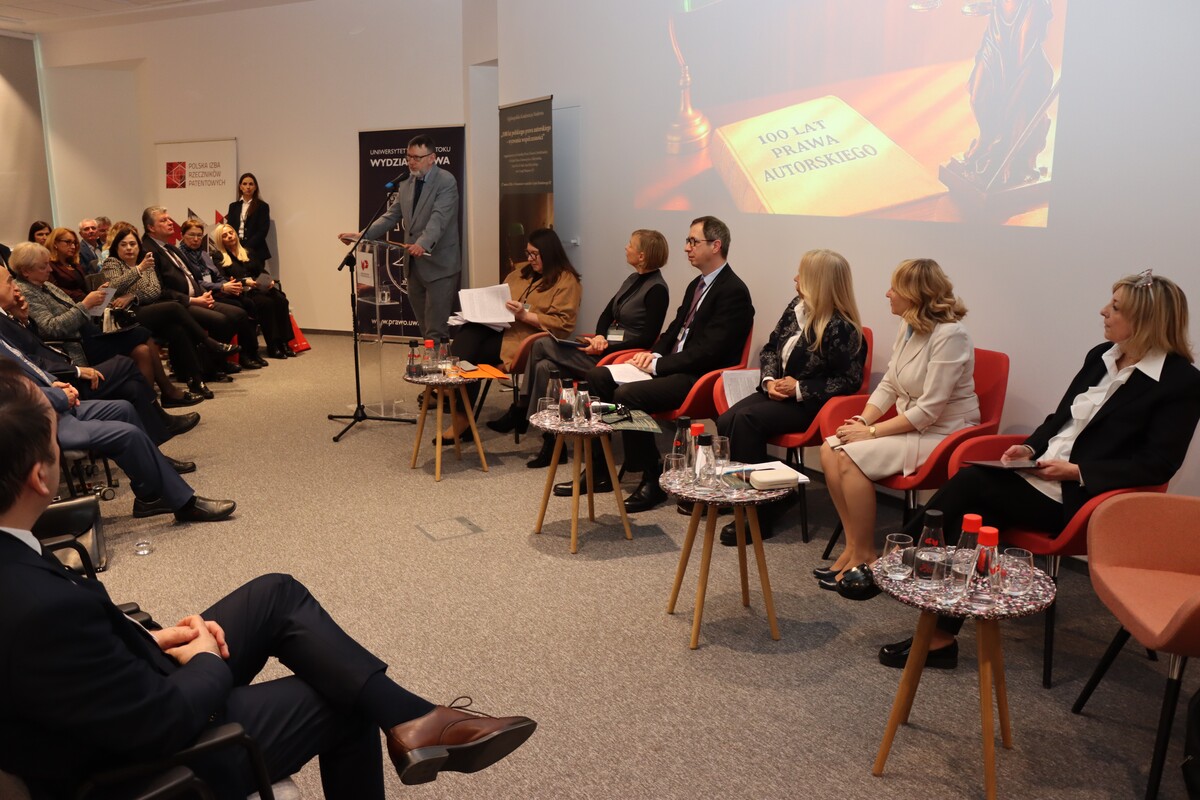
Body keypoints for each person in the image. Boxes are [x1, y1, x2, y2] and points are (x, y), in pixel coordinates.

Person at [0, 362, 537, 799]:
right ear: (41, 476)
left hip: (116, 693)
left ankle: (415, 719)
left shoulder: (17, 555)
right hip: (146, 764)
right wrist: (205, 659)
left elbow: (68, 666)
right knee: (343, 701)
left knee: (277, 593)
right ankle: (412, 721)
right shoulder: (38, 607)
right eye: (55, 434)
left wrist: (152, 638)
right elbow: (158, 721)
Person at [878, 270, 1200, 670]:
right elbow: (1061, 417)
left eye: (1115, 307)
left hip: (1082, 496)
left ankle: (895, 558)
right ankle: (939, 638)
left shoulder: (1180, 381)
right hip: (1039, 475)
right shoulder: (1102, 355)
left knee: (973, 484)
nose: (1103, 311)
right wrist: (1030, 446)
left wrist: (1077, 471)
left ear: (1146, 320)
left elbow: (1158, 464)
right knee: (977, 520)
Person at [818, 258, 978, 594]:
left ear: (915, 294)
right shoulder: (908, 325)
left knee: (848, 457)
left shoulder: (951, 335)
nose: (887, 294)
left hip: (944, 434)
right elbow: (889, 384)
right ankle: (852, 546)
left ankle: (866, 554)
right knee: (829, 449)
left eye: (895, 288)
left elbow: (930, 410)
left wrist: (871, 433)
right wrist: (864, 419)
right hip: (913, 426)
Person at [585, 216, 755, 513]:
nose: (686, 248)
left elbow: (709, 352)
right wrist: (653, 355)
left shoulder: (733, 291)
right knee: (598, 377)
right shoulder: (696, 284)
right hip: (674, 366)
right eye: (687, 241)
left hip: (699, 376)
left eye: (693, 241)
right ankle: (600, 467)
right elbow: (675, 329)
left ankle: (652, 476)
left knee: (627, 396)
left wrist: (659, 366)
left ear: (715, 246)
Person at [714, 249, 866, 545]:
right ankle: (754, 497)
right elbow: (771, 348)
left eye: (802, 274)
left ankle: (758, 515)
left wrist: (798, 388)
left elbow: (849, 382)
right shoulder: (796, 308)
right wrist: (770, 380)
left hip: (812, 406)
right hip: (779, 393)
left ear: (819, 282)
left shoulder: (842, 328)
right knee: (726, 419)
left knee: (745, 421)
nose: (795, 279)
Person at [489, 229, 670, 466]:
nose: (626, 248)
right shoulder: (632, 280)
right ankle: (551, 441)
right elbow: (606, 315)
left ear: (642, 255)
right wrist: (599, 337)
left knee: (541, 343)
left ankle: (522, 408)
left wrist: (606, 348)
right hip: (602, 348)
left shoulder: (657, 289)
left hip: (619, 359)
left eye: (630, 244)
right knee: (545, 367)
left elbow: (647, 339)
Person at [0, 263, 199, 446]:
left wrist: (24, 320)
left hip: (73, 353)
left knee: (134, 380)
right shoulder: (19, 301)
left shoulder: (33, 296)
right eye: (9, 282)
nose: (50, 269)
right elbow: (39, 347)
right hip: (64, 374)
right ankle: (163, 417)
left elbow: (33, 345)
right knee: (130, 357)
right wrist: (76, 370)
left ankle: (156, 441)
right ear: (27, 270)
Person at [444, 228, 582, 443]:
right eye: (528, 253)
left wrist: (525, 315)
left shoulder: (566, 281)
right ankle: (455, 394)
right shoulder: (519, 273)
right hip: (502, 331)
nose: (530, 259)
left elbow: (563, 325)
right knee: (470, 329)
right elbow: (500, 299)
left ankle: (456, 403)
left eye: (535, 254)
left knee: (471, 358)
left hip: (528, 342)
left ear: (549, 252)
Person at [338, 134, 461, 341]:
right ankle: (433, 357)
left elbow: (439, 218)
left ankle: (438, 360)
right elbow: (391, 215)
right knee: (425, 327)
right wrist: (362, 235)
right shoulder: (406, 182)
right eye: (408, 157)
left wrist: (422, 244)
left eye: (417, 157)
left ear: (432, 158)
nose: (411, 162)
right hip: (413, 265)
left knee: (436, 328)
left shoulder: (446, 181)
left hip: (439, 264)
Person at [100, 224, 222, 402]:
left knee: (178, 329)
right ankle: (208, 342)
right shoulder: (112, 263)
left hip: (147, 311)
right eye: (123, 245)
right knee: (174, 307)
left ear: (138, 246)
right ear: (116, 247)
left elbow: (155, 291)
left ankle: (196, 380)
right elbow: (114, 286)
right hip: (125, 316)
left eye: (132, 244)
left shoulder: (146, 261)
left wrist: (133, 295)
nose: (129, 248)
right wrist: (138, 270)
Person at [142, 206, 243, 383]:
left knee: (238, 314)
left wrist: (204, 294)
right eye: (163, 220)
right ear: (151, 227)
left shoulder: (170, 247)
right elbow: (160, 291)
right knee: (221, 320)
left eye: (169, 218)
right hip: (178, 304)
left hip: (197, 297)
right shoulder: (148, 250)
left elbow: (192, 277)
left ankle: (213, 364)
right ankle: (210, 367)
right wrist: (194, 300)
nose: (170, 222)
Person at [180, 219, 269, 368]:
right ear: (182, 235)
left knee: (248, 303)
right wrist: (222, 287)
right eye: (191, 235)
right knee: (240, 310)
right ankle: (242, 355)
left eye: (199, 235)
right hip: (202, 295)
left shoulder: (203, 254)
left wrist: (229, 284)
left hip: (216, 291)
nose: (196, 239)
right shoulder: (181, 256)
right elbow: (196, 282)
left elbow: (217, 275)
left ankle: (251, 351)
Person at [211, 222, 293, 361]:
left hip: (259, 287)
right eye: (225, 235)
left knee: (281, 300)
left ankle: (284, 342)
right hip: (243, 291)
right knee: (266, 304)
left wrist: (269, 280)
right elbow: (223, 278)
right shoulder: (219, 256)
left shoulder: (248, 251)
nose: (229, 236)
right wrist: (245, 282)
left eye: (231, 233)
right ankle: (273, 345)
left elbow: (261, 271)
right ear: (221, 240)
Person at [226, 172, 273, 264]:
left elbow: (263, 231)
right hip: (236, 250)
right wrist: (235, 247)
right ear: (240, 187)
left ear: (255, 187)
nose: (248, 187)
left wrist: (246, 248)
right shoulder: (233, 206)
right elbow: (229, 227)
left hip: (255, 250)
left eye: (251, 184)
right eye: (245, 184)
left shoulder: (262, 206)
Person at [44, 227, 91, 301]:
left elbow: (84, 287)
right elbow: (55, 290)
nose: (73, 247)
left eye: (74, 243)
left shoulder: (74, 264)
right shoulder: (48, 265)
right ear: (55, 243)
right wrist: (86, 298)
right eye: (68, 242)